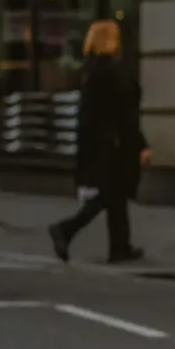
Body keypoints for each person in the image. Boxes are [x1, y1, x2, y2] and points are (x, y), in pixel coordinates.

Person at [49, 20, 149, 264]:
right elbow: (125, 116)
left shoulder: (91, 72)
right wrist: (141, 144)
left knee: (115, 198)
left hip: (99, 147)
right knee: (109, 197)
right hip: (112, 148)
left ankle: (120, 247)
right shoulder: (111, 74)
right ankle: (65, 229)